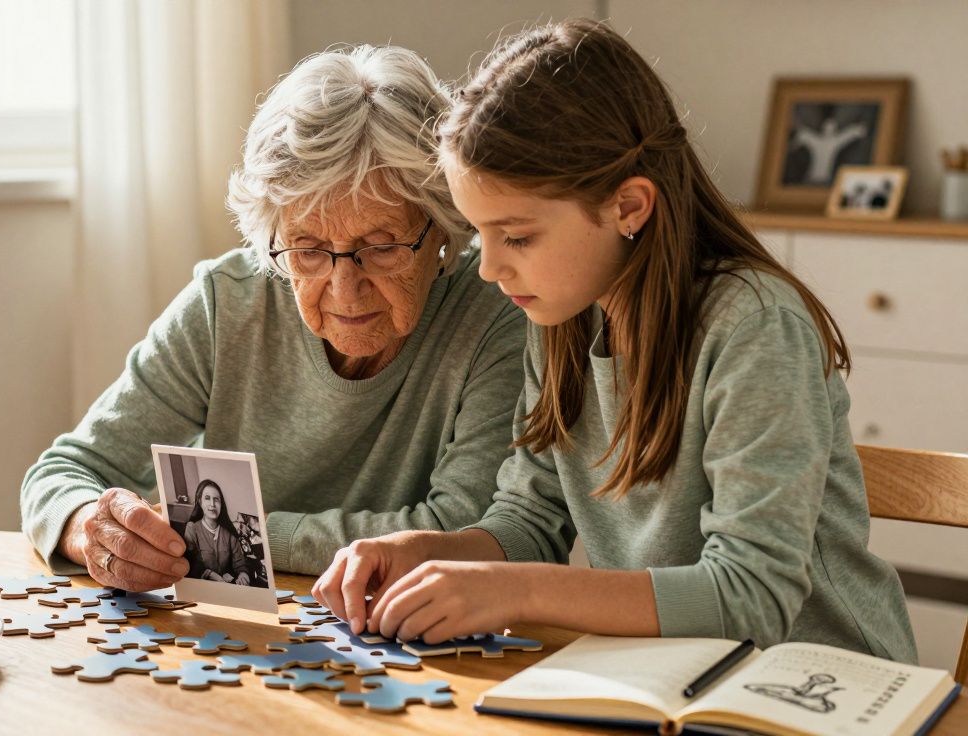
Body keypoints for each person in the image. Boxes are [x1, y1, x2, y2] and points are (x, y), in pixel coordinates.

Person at [313, 19, 917, 664]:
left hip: (820, 681)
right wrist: (423, 550)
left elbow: (753, 596)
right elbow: (528, 524)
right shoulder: (561, 316)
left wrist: (510, 591)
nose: (489, 268)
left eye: (516, 236)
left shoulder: (755, 326)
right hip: (668, 671)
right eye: (481, 235)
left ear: (629, 206)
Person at [20, 45, 526, 593]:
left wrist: (236, 536)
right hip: (239, 639)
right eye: (307, 250)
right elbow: (62, 473)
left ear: (442, 226)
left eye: (382, 247)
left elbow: (466, 532)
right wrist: (89, 528)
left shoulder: (498, 312)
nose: (345, 289)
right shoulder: (227, 302)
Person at [183, 480, 250, 585]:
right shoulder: (192, 529)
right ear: (200, 502)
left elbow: (240, 563)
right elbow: (188, 563)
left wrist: (243, 574)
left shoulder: (229, 531)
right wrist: (208, 574)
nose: (212, 504)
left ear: (221, 504)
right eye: (207, 498)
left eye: (216, 499)